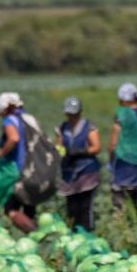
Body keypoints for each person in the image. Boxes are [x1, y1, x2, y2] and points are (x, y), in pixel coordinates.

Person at [108, 83, 137, 226]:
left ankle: (123, 228)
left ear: (123, 99)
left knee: (120, 200)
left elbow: (114, 145)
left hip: (125, 163)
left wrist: (111, 161)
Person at [56, 96, 101, 231]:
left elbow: (96, 147)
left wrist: (81, 151)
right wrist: (60, 151)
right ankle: (74, 232)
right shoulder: (63, 128)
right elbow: (59, 145)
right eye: (69, 114)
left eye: (74, 114)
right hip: (69, 172)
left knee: (85, 207)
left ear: (80, 112)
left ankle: (87, 233)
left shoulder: (89, 127)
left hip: (87, 171)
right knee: (72, 207)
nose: (72, 117)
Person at [0, 92, 38, 232]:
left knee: (11, 209)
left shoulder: (10, 121)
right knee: (29, 210)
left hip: (20, 171)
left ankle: (35, 234)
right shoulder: (29, 119)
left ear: (5, 109)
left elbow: (13, 138)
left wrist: (1, 155)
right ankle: (38, 240)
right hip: (35, 169)